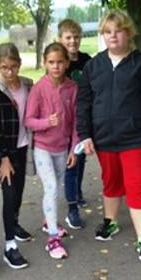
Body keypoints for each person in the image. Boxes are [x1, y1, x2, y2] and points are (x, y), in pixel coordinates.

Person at [76, 9, 141, 262]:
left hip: (135, 139)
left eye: (118, 30)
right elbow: (83, 103)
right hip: (103, 139)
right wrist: (85, 135)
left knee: (136, 186)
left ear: (129, 33)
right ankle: (110, 222)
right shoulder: (94, 66)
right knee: (110, 182)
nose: (112, 36)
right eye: (107, 32)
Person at [25, 43, 78, 259]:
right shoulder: (39, 88)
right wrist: (47, 122)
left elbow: (76, 122)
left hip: (62, 148)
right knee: (52, 187)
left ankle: (49, 220)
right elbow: (29, 121)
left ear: (66, 63)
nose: (55, 66)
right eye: (51, 62)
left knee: (55, 186)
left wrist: (74, 148)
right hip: (43, 147)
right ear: (45, 63)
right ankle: (53, 239)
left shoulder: (73, 88)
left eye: (59, 62)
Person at [0, 43, 34, 270]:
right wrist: (2, 158)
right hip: (3, 151)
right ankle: (9, 246)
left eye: (13, 66)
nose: (9, 72)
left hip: (22, 146)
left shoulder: (27, 84)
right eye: (4, 67)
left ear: (19, 64)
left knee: (19, 192)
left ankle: (13, 224)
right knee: (9, 193)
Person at [58, 18, 92, 226]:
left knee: (80, 160)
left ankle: (76, 192)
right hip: (64, 120)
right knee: (70, 163)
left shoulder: (87, 61)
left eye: (76, 37)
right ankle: (72, 208)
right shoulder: (58, 62)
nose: (73, 41)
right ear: (60, 39)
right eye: (68, 37)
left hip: (83, 118)